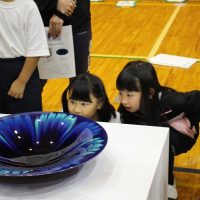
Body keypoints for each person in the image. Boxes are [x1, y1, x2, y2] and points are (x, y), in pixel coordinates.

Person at [116, 60, 200, 200]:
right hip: (155, 127)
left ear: (150, 93)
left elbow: (197, 98)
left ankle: (168, 183)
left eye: (129, 95)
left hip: (181, 135)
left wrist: (192, 120)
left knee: (160, 140)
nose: (123, 101)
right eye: (120, 93)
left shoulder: (171, 101)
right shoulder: (126, 109)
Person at [0, 0, 49, 114]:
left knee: (27, 122)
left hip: (23, 70)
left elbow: (35, 50)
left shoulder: (28, 6)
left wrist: (21, 81)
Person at [34, 0, 91, 76]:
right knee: (34, 80)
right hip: (37, 20)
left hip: (77, 23)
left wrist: (60, 13)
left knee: (80, 80)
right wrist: (55, 4)